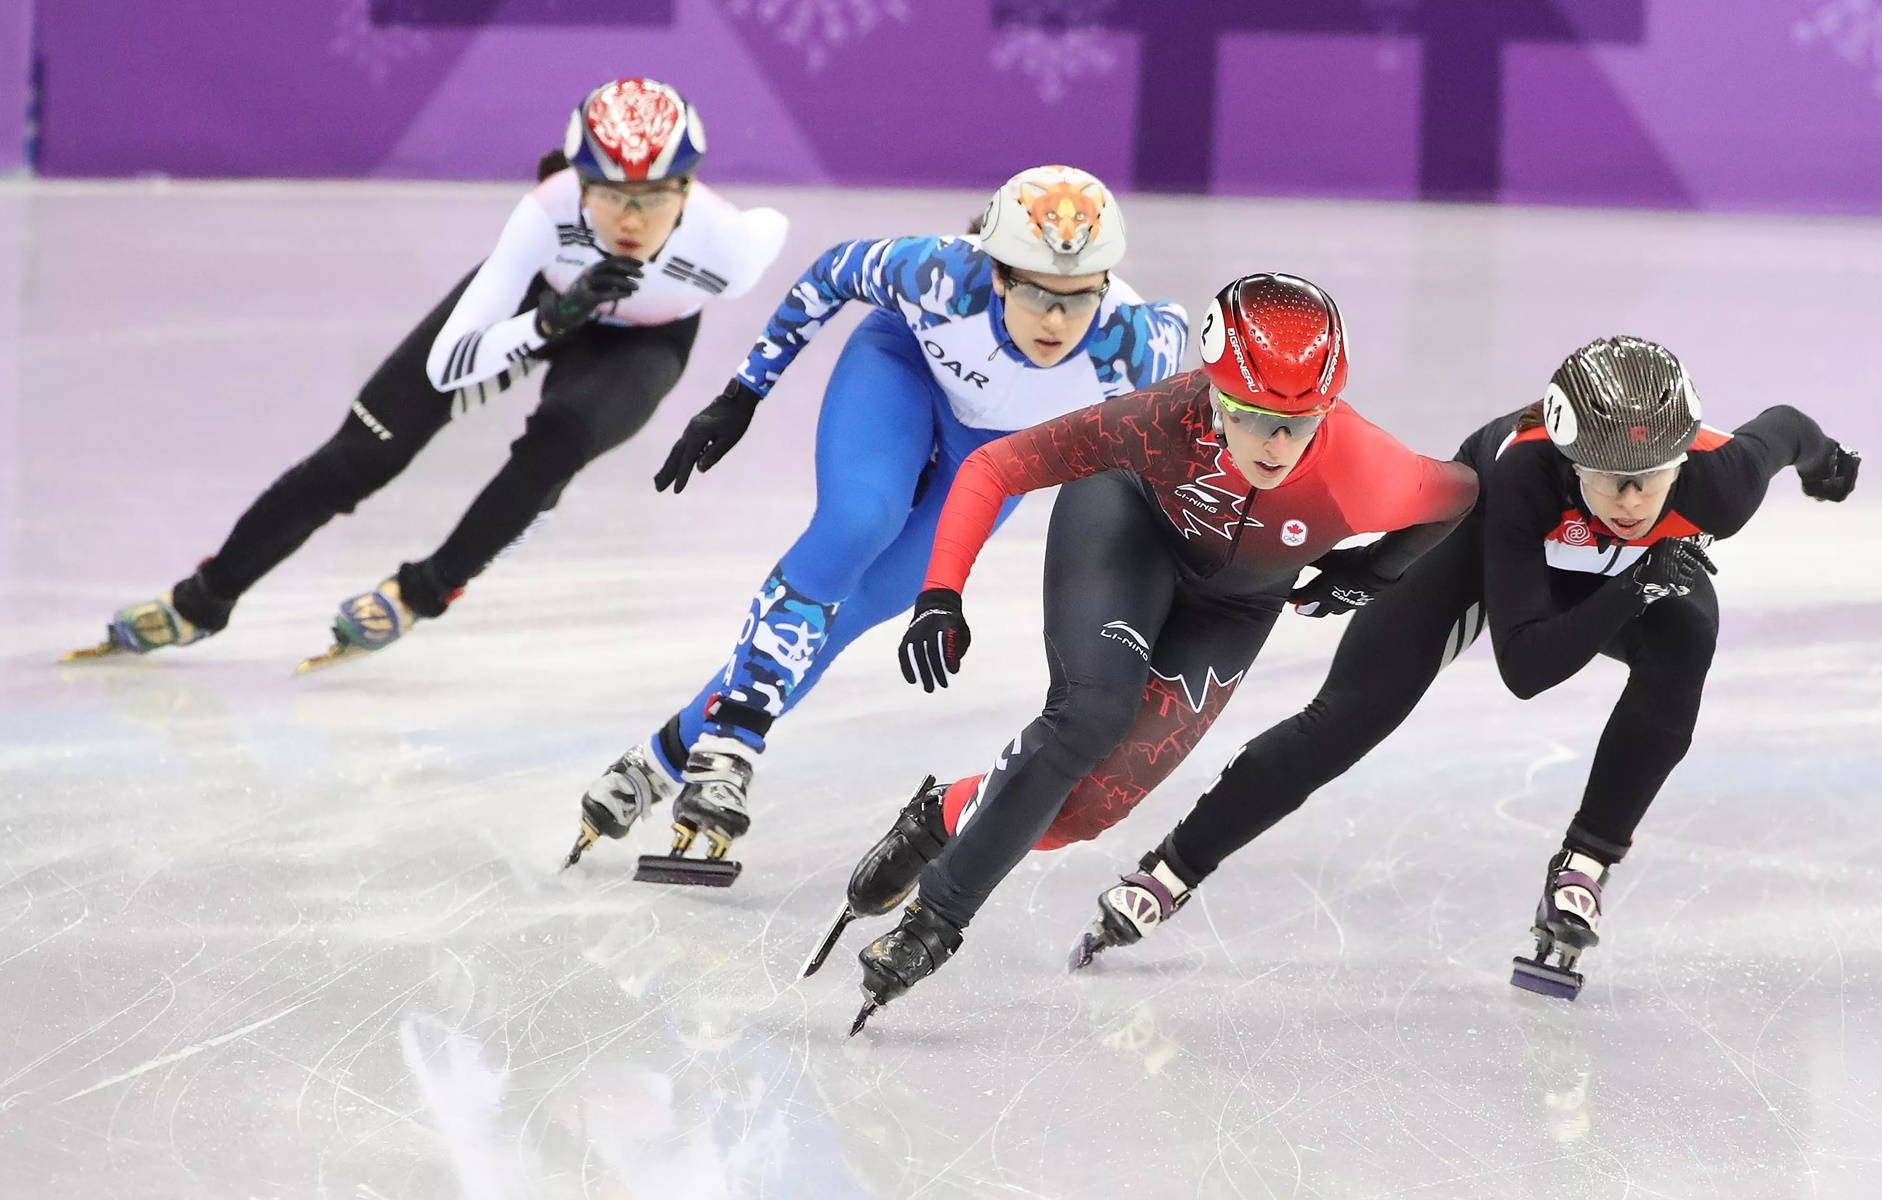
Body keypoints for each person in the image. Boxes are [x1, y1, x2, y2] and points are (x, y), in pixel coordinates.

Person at [1063, 335, 1860, 1000]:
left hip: (1631, 577)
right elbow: (1526, 666)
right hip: (1485, 552)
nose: (1628, 501)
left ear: (1682, 457)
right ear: (1569, 458)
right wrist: (1633, 583)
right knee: (1345, 721)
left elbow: (1785, 427)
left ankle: (1585, 863)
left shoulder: (1720, 486)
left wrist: (1825, 462)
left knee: (1685, 642)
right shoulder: (1521, 477)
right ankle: (1173, 867)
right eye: (1608, 478)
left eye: (1649, 479)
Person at [813, 273, 1481, 1032]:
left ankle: (943, 816)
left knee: (1083, 814)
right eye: (1253, 415)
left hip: (1237, 602)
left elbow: (1460, 493)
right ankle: (934, 923)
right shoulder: (1160, 419)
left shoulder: (1370, 468)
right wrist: (941, 591)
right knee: (1091, 716)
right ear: (1213, 390)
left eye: (1301, 422)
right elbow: (993, 467)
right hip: (1126, 529)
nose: (1277, 444)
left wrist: (1374, 573)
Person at [564, 165, 1189, 882]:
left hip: (996, 460)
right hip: (903, 373)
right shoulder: (937, 277)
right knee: (862, 519)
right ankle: (736, 737)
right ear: (995, 274)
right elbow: (829, 274)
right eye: (1037, 294)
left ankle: (667, 754)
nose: (1056, 321)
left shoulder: (1139, 348)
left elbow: (1175, 472)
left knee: (852, 610)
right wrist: (743, 393)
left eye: (1078, 300)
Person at [62, 78, 788, 670]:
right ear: (578, 181)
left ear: (688, 189)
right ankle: (201, 600)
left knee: (559, 441)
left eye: (656, 195)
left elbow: (775, 232)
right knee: (361, 453)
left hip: (641, 341)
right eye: (611, 194)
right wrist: (547, 320)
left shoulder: (727, 246)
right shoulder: (545, 213)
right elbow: (450, 363)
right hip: (541, 300)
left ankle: (423, 591)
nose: (632, 216)